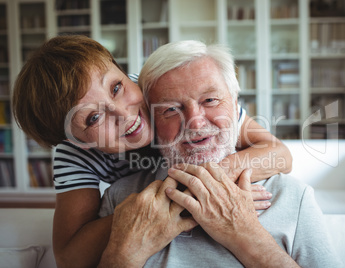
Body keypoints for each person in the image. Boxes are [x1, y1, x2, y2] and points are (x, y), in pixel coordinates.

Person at [12, 35, 292, 267]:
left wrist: (205, 182)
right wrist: (148, 209)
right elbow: (71, 257)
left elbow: (280, 153)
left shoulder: (161, 90)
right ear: (73, 140)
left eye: (117, 87)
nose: (125, 113)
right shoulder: (74, 155)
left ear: (123, 73)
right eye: (94, 118)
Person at [97, 40, 343, 267]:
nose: (194, 122)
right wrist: (124, 255)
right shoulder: (120, 199)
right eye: (171, 108)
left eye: (210, 100)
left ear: (236, 106)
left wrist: (246, 235)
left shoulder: (292, 197)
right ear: (152, 121)